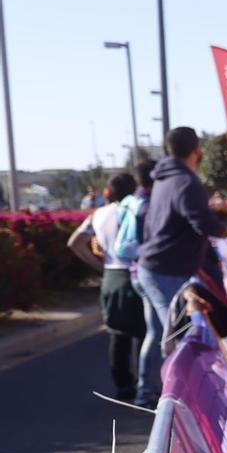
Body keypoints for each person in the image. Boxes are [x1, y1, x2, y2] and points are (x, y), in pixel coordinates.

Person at [133, 127, 223, 405]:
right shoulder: (186, 181)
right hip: (165, 271)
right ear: (198, 150)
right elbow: (203, 223)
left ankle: (147, 391)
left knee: (161, 332)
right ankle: (178, 399)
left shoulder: (163, 180)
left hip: (155, 267)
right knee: (178, 336)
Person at [68, 170, 146, 402]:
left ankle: (123, 386)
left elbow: (75, 243)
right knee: (145, 335)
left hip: (111, 277)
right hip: (136, 274)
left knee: (117, 335)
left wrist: (100, 266)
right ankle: (146, 385)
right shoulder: (137, 210)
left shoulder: (98, 214)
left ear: (108, 191)